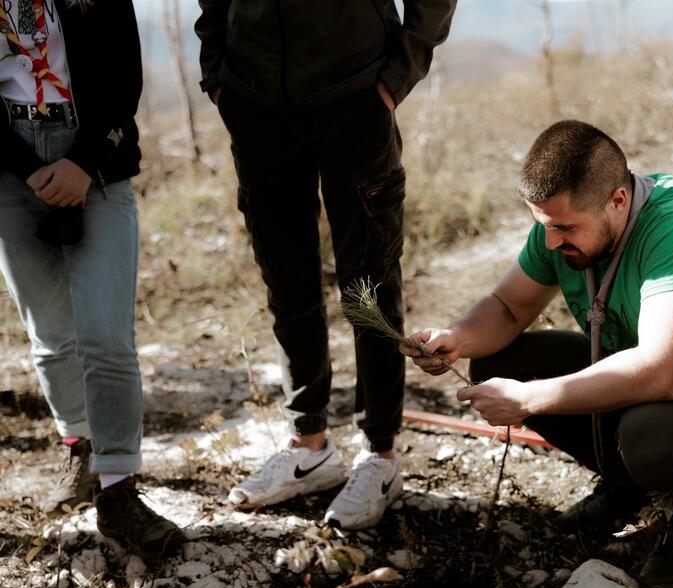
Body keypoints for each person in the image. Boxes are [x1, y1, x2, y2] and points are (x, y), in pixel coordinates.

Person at [402, 120, 673, 588]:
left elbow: (662, 373)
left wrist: (529, 400)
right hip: (654, 400)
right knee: (499, 362)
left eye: (565, 228)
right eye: (544, 226)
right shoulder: (559, 229)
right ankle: (627, 483)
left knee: (646, 430)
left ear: (618, 201)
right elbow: (508, 308)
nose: (551, 242)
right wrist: (458, 338)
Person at [195, 0, 457, 529]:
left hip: (355, 95)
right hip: (254, 102)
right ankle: (308, 445)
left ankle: (380, 456)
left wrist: (397, 73)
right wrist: (216, 71)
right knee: (287, 284)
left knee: (368, 286)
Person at [0, 0, 185, 559]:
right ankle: (78, 446)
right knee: (50, 334)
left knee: (106, 336)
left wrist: (82, 162)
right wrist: (27, 167)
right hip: (9, 165)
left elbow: (123, 75)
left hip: (94, 158)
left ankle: (118, 490)